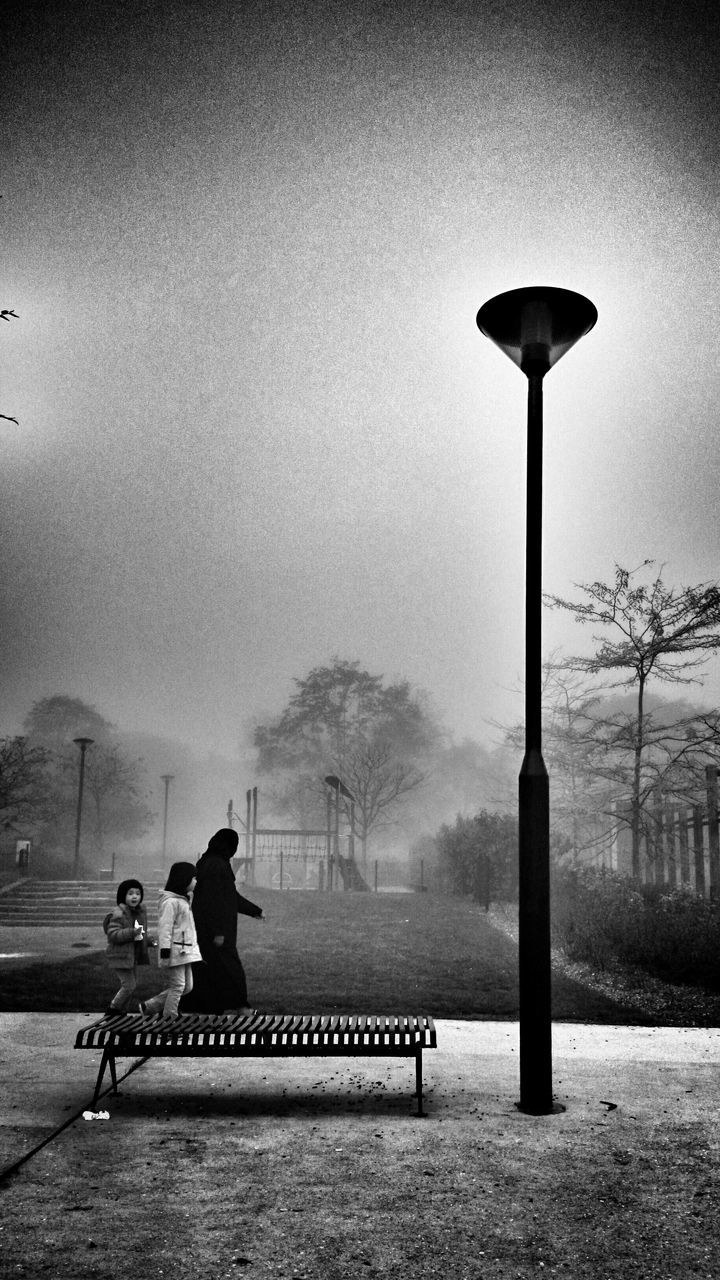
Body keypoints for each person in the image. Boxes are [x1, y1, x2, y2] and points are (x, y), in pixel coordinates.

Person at [183, 828, 263, 1014]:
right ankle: (242, 1007)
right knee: (230, 970)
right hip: (218, 932)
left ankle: (211, 1007)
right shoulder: (218, 865)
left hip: (205, 929)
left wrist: (254, 911)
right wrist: (219, 932)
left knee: (209, 971)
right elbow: (217, 900)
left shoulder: (207, 863)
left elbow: (227, 897)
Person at [140, 862, 202, 1019]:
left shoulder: (182, 900)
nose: (196, 881)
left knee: (187, 987)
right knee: (178, 986)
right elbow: (165, 928)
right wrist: (165, 950)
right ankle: (169, 1022)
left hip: (185, 950)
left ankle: (150, 1006)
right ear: (184, 879)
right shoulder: (170, 902)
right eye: (194, 878)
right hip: (175, 951)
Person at [104, 878, 155, 1015]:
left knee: (130, 986)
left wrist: (149, 941)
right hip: (120, 955)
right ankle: (113, 1009)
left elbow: (139, 935)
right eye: (130, 893)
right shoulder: (119, 914)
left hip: (131, 956)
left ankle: (121, 1011)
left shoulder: (136, 913)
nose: (134, 896)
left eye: (138, 894)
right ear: (123, 896)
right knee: (129, 985)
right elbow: (113, 934)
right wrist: (132, 932)